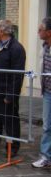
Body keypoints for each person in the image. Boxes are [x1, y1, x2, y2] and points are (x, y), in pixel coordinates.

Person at [0, 19, 26, 157]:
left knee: (10, 120)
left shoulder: (17, 48)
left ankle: (13, 146)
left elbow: (18, 75)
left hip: (6, 91)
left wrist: (11, 95)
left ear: (2, 31)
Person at [32, 17, 51, 167]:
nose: (38, 32)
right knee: (47, 125)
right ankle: (46, 156)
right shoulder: (44, 47)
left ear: (49, 32)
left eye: (40, 30)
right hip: (48, 93)